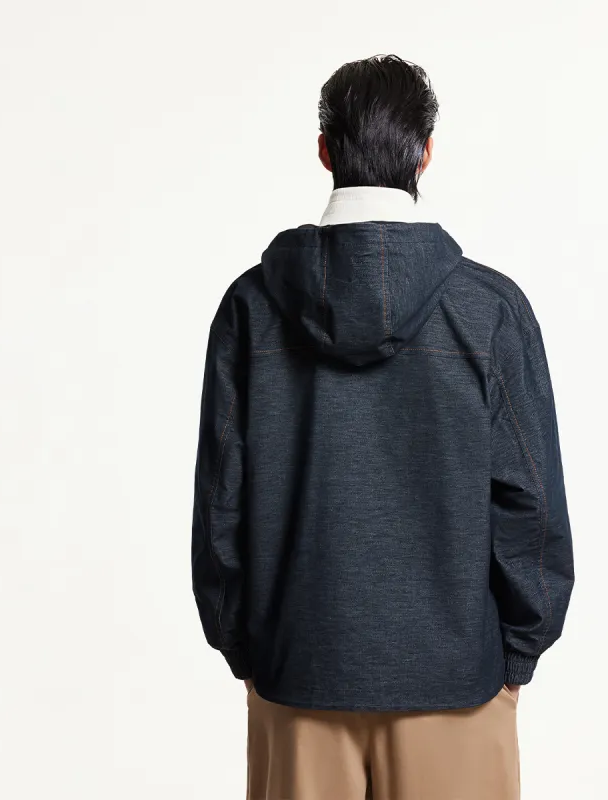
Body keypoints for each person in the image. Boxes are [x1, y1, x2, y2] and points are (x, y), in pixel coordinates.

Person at [191, 54, 574, 800]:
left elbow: (220, 510)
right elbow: (530, 506)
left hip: (297, 673)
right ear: (425, 153)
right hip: (456, 686)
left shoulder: (251, 308)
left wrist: (247, 646)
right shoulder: (489, 310)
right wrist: (517, 654)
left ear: (325, 151)